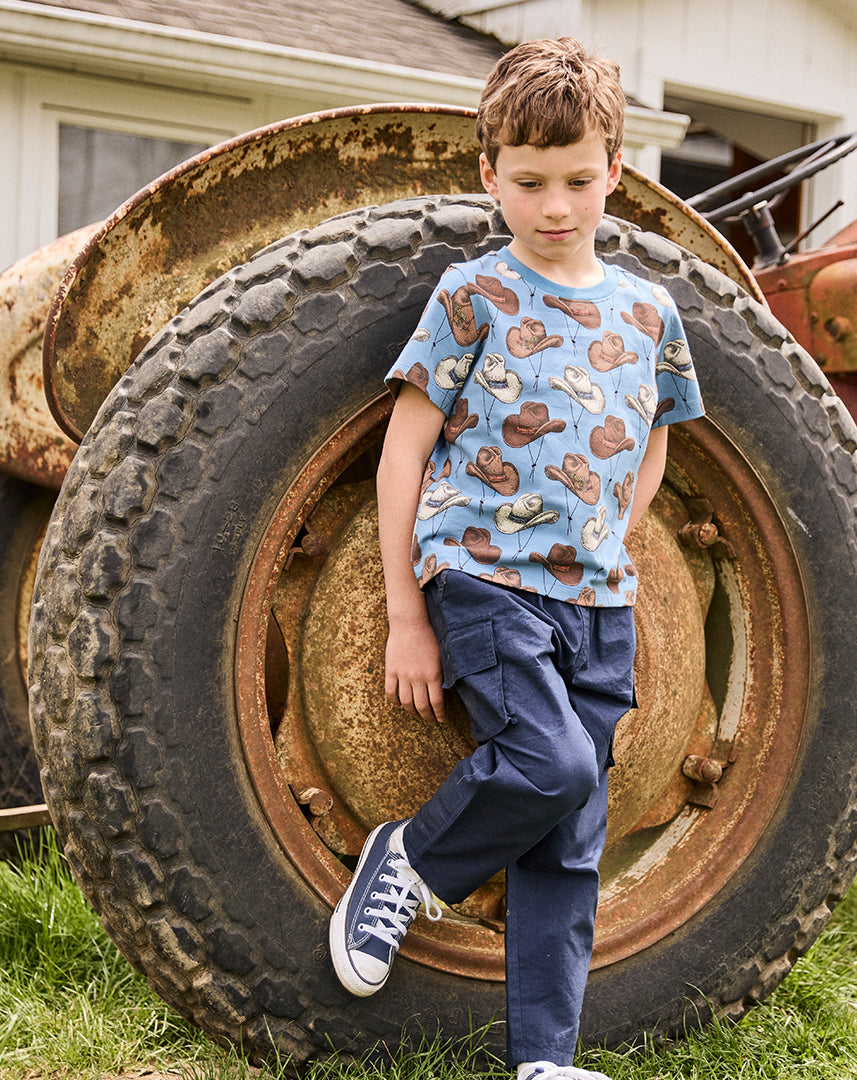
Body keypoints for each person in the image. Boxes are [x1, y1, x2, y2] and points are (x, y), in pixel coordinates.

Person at [329, 35, 705, 1080]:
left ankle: (544, 1058)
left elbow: (654, 435)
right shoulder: (473, 295)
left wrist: (614, 538)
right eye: (530, 182)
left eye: (579, 181)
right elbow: (405, 447)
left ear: (615, 174)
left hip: (600, 601)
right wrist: (411, 609)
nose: (555, 206)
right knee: (556, 763)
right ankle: (408, 860)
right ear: (489, 174)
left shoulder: (650, 312)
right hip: (487, 580)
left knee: (569, 836)